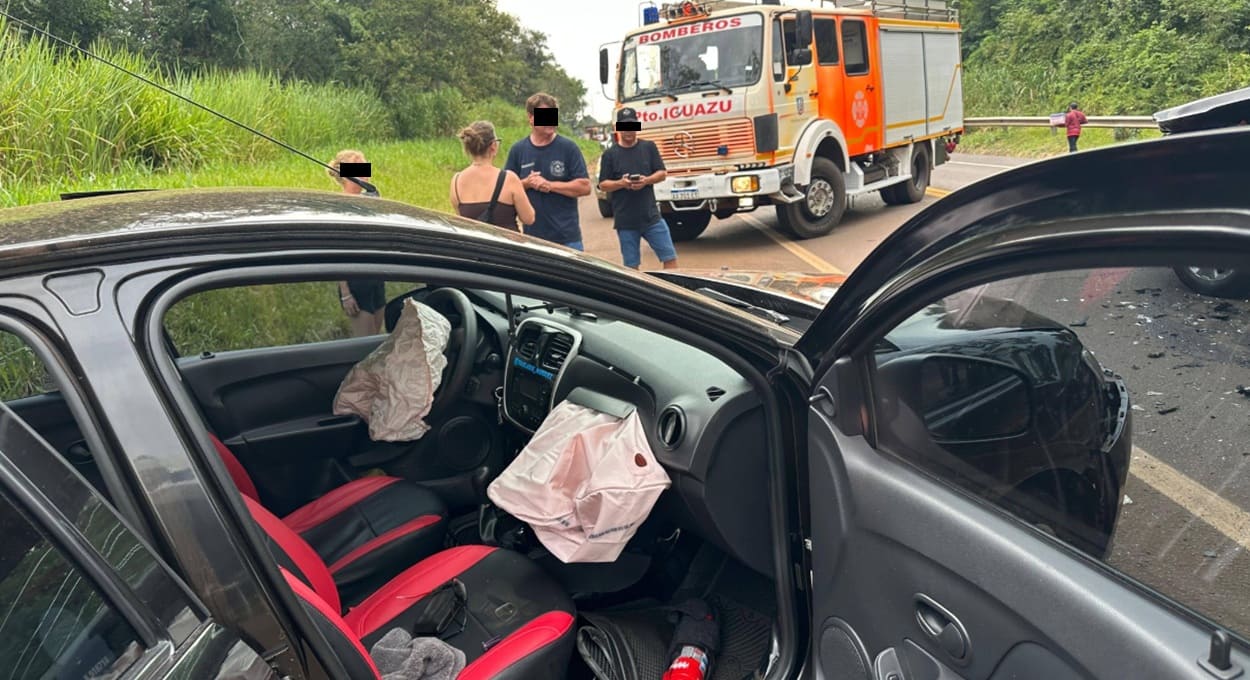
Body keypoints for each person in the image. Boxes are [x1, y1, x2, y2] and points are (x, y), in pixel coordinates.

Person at [504, 93, 592, 250]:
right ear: (530, 118)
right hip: (533, 240)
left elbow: (585, 187)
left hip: (567, 238)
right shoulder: (518, 150)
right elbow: (506, 189)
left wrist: (550, 185)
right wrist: (527, 183)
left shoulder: (568, 148)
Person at [597, 107, 679, 270]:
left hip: (651, 217)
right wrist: (621, 183)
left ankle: (671, 290)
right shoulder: (610, 154)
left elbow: (662, 173)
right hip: (625, 221)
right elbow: (603, 184)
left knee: (670, 257)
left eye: (632, 125)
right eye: (624, 126)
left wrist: (646, 180)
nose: (629, 130)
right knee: (631, 267)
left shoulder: (648, 147)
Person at [327, 149, 386, 337]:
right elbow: (336, 252)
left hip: (376, 276)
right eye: (360, 169)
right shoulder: (340, 207)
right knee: (365, 344)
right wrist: (345, 292)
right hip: (356, 280)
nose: (366, 174)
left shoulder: (370, 199)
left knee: (377, 340)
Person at [450, 121, 535, 231]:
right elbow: (529, 218)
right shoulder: (509, 179)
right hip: (505, 247)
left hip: (474, 247)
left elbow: (462, 219)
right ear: (493, 146)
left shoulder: (456, 181)